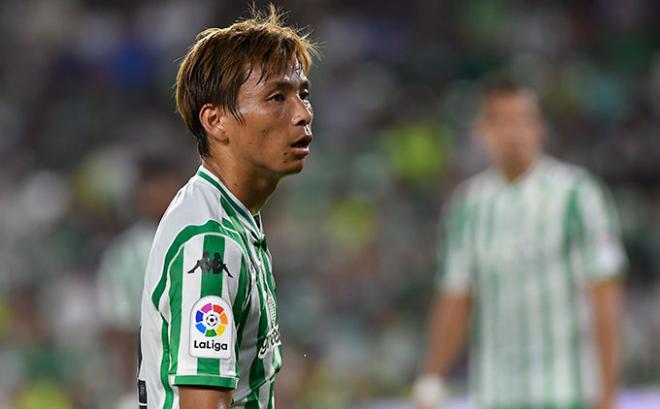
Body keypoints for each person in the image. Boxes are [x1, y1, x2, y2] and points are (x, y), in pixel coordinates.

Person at [138, 6, 316, 409]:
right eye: (277, 97)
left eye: (303, 94)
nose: (302, 113)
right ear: (216, 121)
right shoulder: (210, 244)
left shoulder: (233, 215)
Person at [413, 78, 626, 409]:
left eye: (522, 120)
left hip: (568, 390)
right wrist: (432, 377)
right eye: (500, 121)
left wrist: (609, 393)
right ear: (482, 131)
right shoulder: (468, 206)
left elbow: (605, 297)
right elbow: (455, 297)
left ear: (539, 128)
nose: (512, 133)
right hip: (497, 392)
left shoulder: (578, 195)